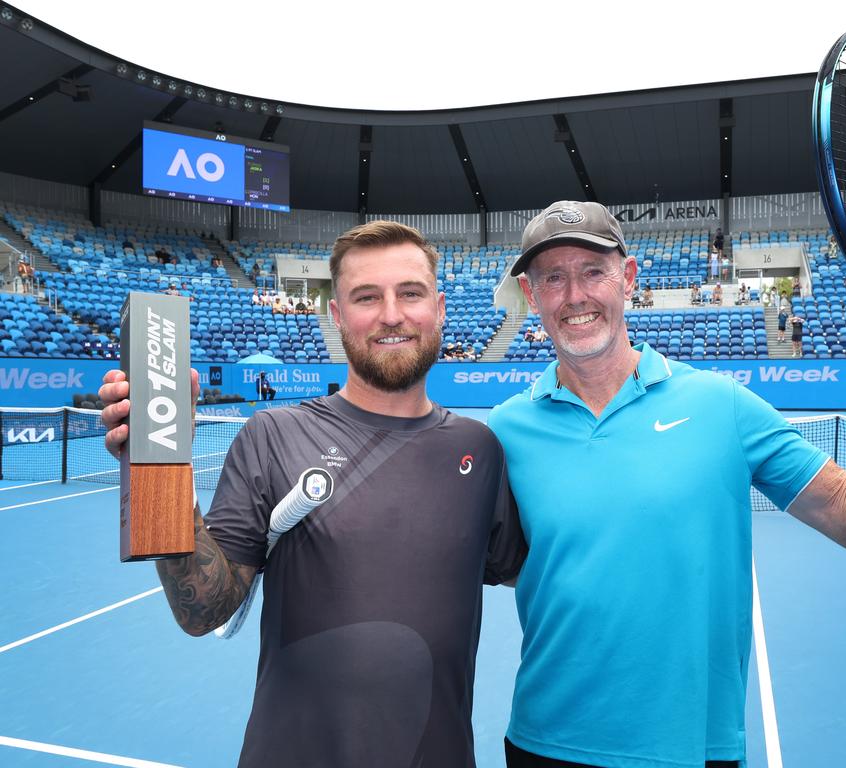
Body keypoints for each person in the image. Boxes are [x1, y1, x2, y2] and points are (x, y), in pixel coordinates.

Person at [490, 201, 846, 768]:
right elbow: (507, 563)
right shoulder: (505, 430)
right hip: (544, 742)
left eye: (593, 271)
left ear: (628, 279)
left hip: (690, 747)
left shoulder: (721, 404)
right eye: (552, 278)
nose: (574, 295)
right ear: (531, 296)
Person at [99, 221, 526, 767]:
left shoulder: (481, 450)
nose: (391, 314)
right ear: (337, 315)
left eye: (410, 293)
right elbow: (203, 609)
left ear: (439, 308)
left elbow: (536, 570)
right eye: (366, 297)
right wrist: (157, 460)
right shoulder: (272, 436)